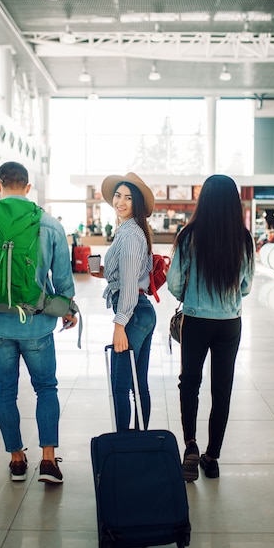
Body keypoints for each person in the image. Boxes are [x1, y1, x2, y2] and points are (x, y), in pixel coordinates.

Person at [0, 162, 77, 484]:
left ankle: (16, 460)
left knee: (4, 392)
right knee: (46, 388)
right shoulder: (49, 225)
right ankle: (49, 460)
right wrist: (68, 309)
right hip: (37, 324)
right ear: (27, 187)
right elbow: (63, 279)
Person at [167, 174, 255, 482]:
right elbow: (245, 286)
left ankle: (190, 445)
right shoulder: (243, 239)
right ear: (235, 203)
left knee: (190, 382)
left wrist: (190, 298)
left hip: (196, 320)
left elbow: (175, 282)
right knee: (222, 388)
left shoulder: (189, 235)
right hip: (229, 323)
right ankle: (212, 457)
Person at [91, 172, 157, 431]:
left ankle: (124, 445)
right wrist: (105, 271)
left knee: (120, 385)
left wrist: (120, 324)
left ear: (137, 203)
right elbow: (137, 272)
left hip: (133, 314)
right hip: (142, 312)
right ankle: (141, 442)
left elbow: (130, 284)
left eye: (128, 198)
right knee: (139, 383)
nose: (121, 201)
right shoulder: (133, 230)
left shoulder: (130, 235)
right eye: (118, 195)